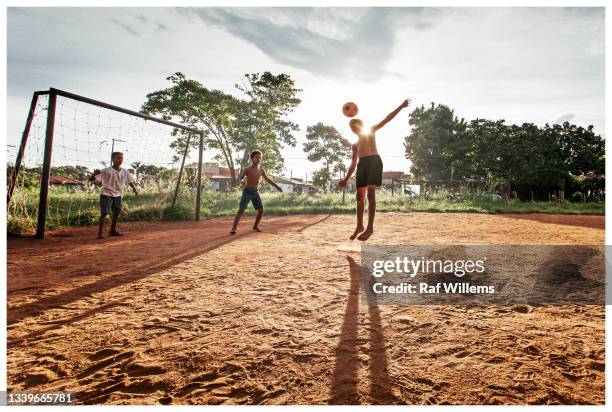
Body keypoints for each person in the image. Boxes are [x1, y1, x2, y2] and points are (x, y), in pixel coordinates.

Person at [339, 99, 411, 241]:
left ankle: (370, 228)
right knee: (359, 197)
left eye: (354, 124)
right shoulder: (354, 145)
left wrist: (401, 106)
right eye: (350, 126)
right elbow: (353, 163)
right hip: (362, 165)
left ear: (361, 125)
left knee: (370, 195)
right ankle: (360, 226)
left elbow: (386, 119)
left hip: (374, 161)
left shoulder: (370, 131)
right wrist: (346, 179)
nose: (352, 127)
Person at [230, 150, 283, 234]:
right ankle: (234, 228)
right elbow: (241, 178)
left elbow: (268, 179)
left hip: (255, 192)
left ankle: (255, 226)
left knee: (261, 210)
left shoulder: (261, 170)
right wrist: (242, 181)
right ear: (252, 159)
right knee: (241, 209)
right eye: (256, 157)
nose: (258, 159)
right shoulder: (247, 169)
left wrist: (277, 186)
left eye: (260, 158)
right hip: (247, 191)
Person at [89, 152, 138, 239]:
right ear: (113, 159)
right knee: (104, 213)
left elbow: (129, 180)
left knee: (116, 212)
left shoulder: (124, 171)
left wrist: (134, 188)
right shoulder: (106, 170)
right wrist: (94, 174)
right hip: (106, 193)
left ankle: (112, 230)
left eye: (122, 158)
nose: (120, 160)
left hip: (118, 194)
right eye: (118, 158)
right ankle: (100, 233)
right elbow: (92, 179)